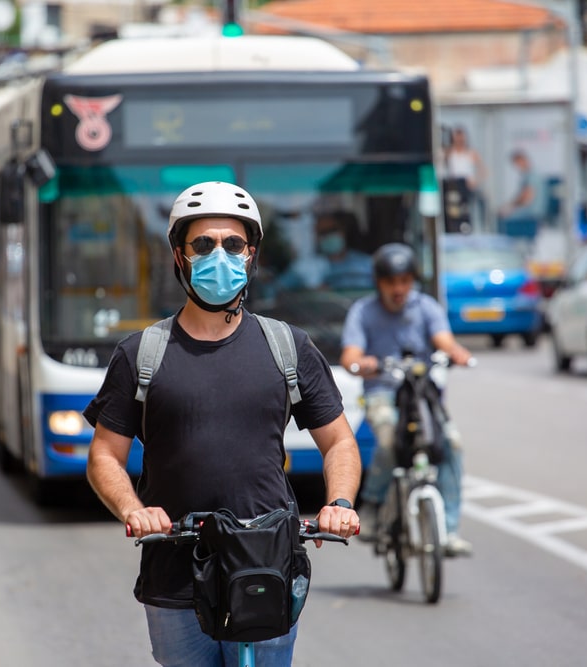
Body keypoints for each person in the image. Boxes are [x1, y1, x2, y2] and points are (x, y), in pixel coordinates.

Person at [85, 181, 362, 666]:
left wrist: (338, 503)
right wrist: (134, 509)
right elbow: (104, 456)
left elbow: (338, 441)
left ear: (251, 255)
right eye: (204, 244)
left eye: (233, 244)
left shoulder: (287, 348)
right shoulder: (141, 354)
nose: (220, 255)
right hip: (172, 572)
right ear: (179, 255)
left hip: (266, 566)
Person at [339, 242, 474, 557]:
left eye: (404, 281)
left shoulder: (426, 307)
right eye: (391, 282)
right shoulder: (363, 311)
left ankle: (449, 530)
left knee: (451, 445)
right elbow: (351, 355)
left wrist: (456, 354)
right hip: (383, 393)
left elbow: (444, 341)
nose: (399, 289)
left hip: (422, 393)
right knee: (387, 443)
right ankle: (372, 506)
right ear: (379, 282)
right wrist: (362, 363)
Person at [276, 210, 372, 291]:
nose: (329, 236)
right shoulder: (303, 269)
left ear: (343, 231)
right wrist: (308, 293)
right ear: (315, 237)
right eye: (323, 233)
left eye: (332, 230)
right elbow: (276, 292)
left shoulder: (367, 264)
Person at [498, 149, 549, 226]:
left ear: (522, 160)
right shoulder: (531, 174)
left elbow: (527, 198)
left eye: (517, 163)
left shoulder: (531, 176)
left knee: (501, 215)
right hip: (534, 211)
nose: (517, 167)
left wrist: (510, 207)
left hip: (532, 212)